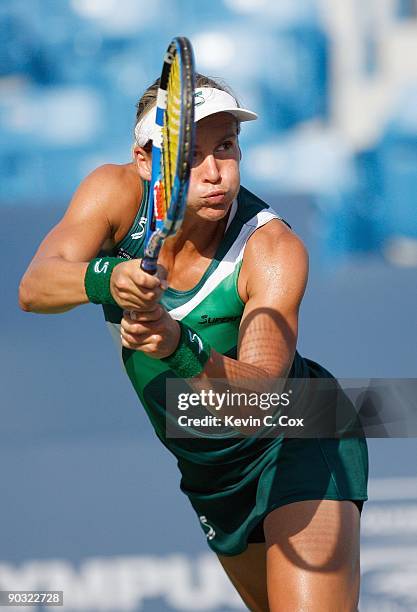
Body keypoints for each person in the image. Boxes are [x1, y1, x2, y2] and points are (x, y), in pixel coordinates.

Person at [19, 74, 368, 611]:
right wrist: (106, 278)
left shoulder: (272, 248)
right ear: (144, 160)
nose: (213, 173)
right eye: (190, 154)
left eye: (225, 147)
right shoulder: (114, 194)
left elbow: (261, 402)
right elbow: (34, 287)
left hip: (301, 432)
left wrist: (178, 344)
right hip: (211, 468)